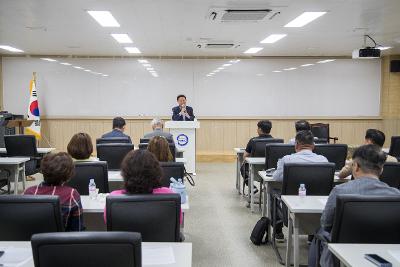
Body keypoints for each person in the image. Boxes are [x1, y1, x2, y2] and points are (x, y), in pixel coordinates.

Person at [309, 144, 400, 267]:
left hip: (342, 254)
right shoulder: (396, 195)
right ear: (381, 169)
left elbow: (326, 223)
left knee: (319, 232)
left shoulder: (339, 191)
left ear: (356, 166)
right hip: (385, 257)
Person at [271, 130, 328, 241]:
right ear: (313, 145)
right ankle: (312, 236)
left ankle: (278, 232)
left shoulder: (287, 160)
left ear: (296, 144)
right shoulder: (323, 160)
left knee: (272, 192)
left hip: (292, 207)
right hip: (318, 209)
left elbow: (276, 178)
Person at [105, 149, 182, 223]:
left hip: (127, 237)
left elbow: (108, 221)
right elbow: (178, 221)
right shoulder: (169, 195)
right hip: (161, 236)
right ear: (156, 171)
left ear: (125, 173)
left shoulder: (113, 198)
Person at [24, 152, 84, 231]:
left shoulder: (29, 192)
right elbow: (77, 230)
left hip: (32, 240)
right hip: (60, 241)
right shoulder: (72, 194)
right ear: (68, 175)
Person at [241, 120, 273, 192]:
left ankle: (252, 187)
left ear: (260, 129)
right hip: (270, 172)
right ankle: (266, 187)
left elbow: (245, 156)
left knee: (242, 168)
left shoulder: (253, 141)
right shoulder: (275, 142)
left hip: (255, 172)